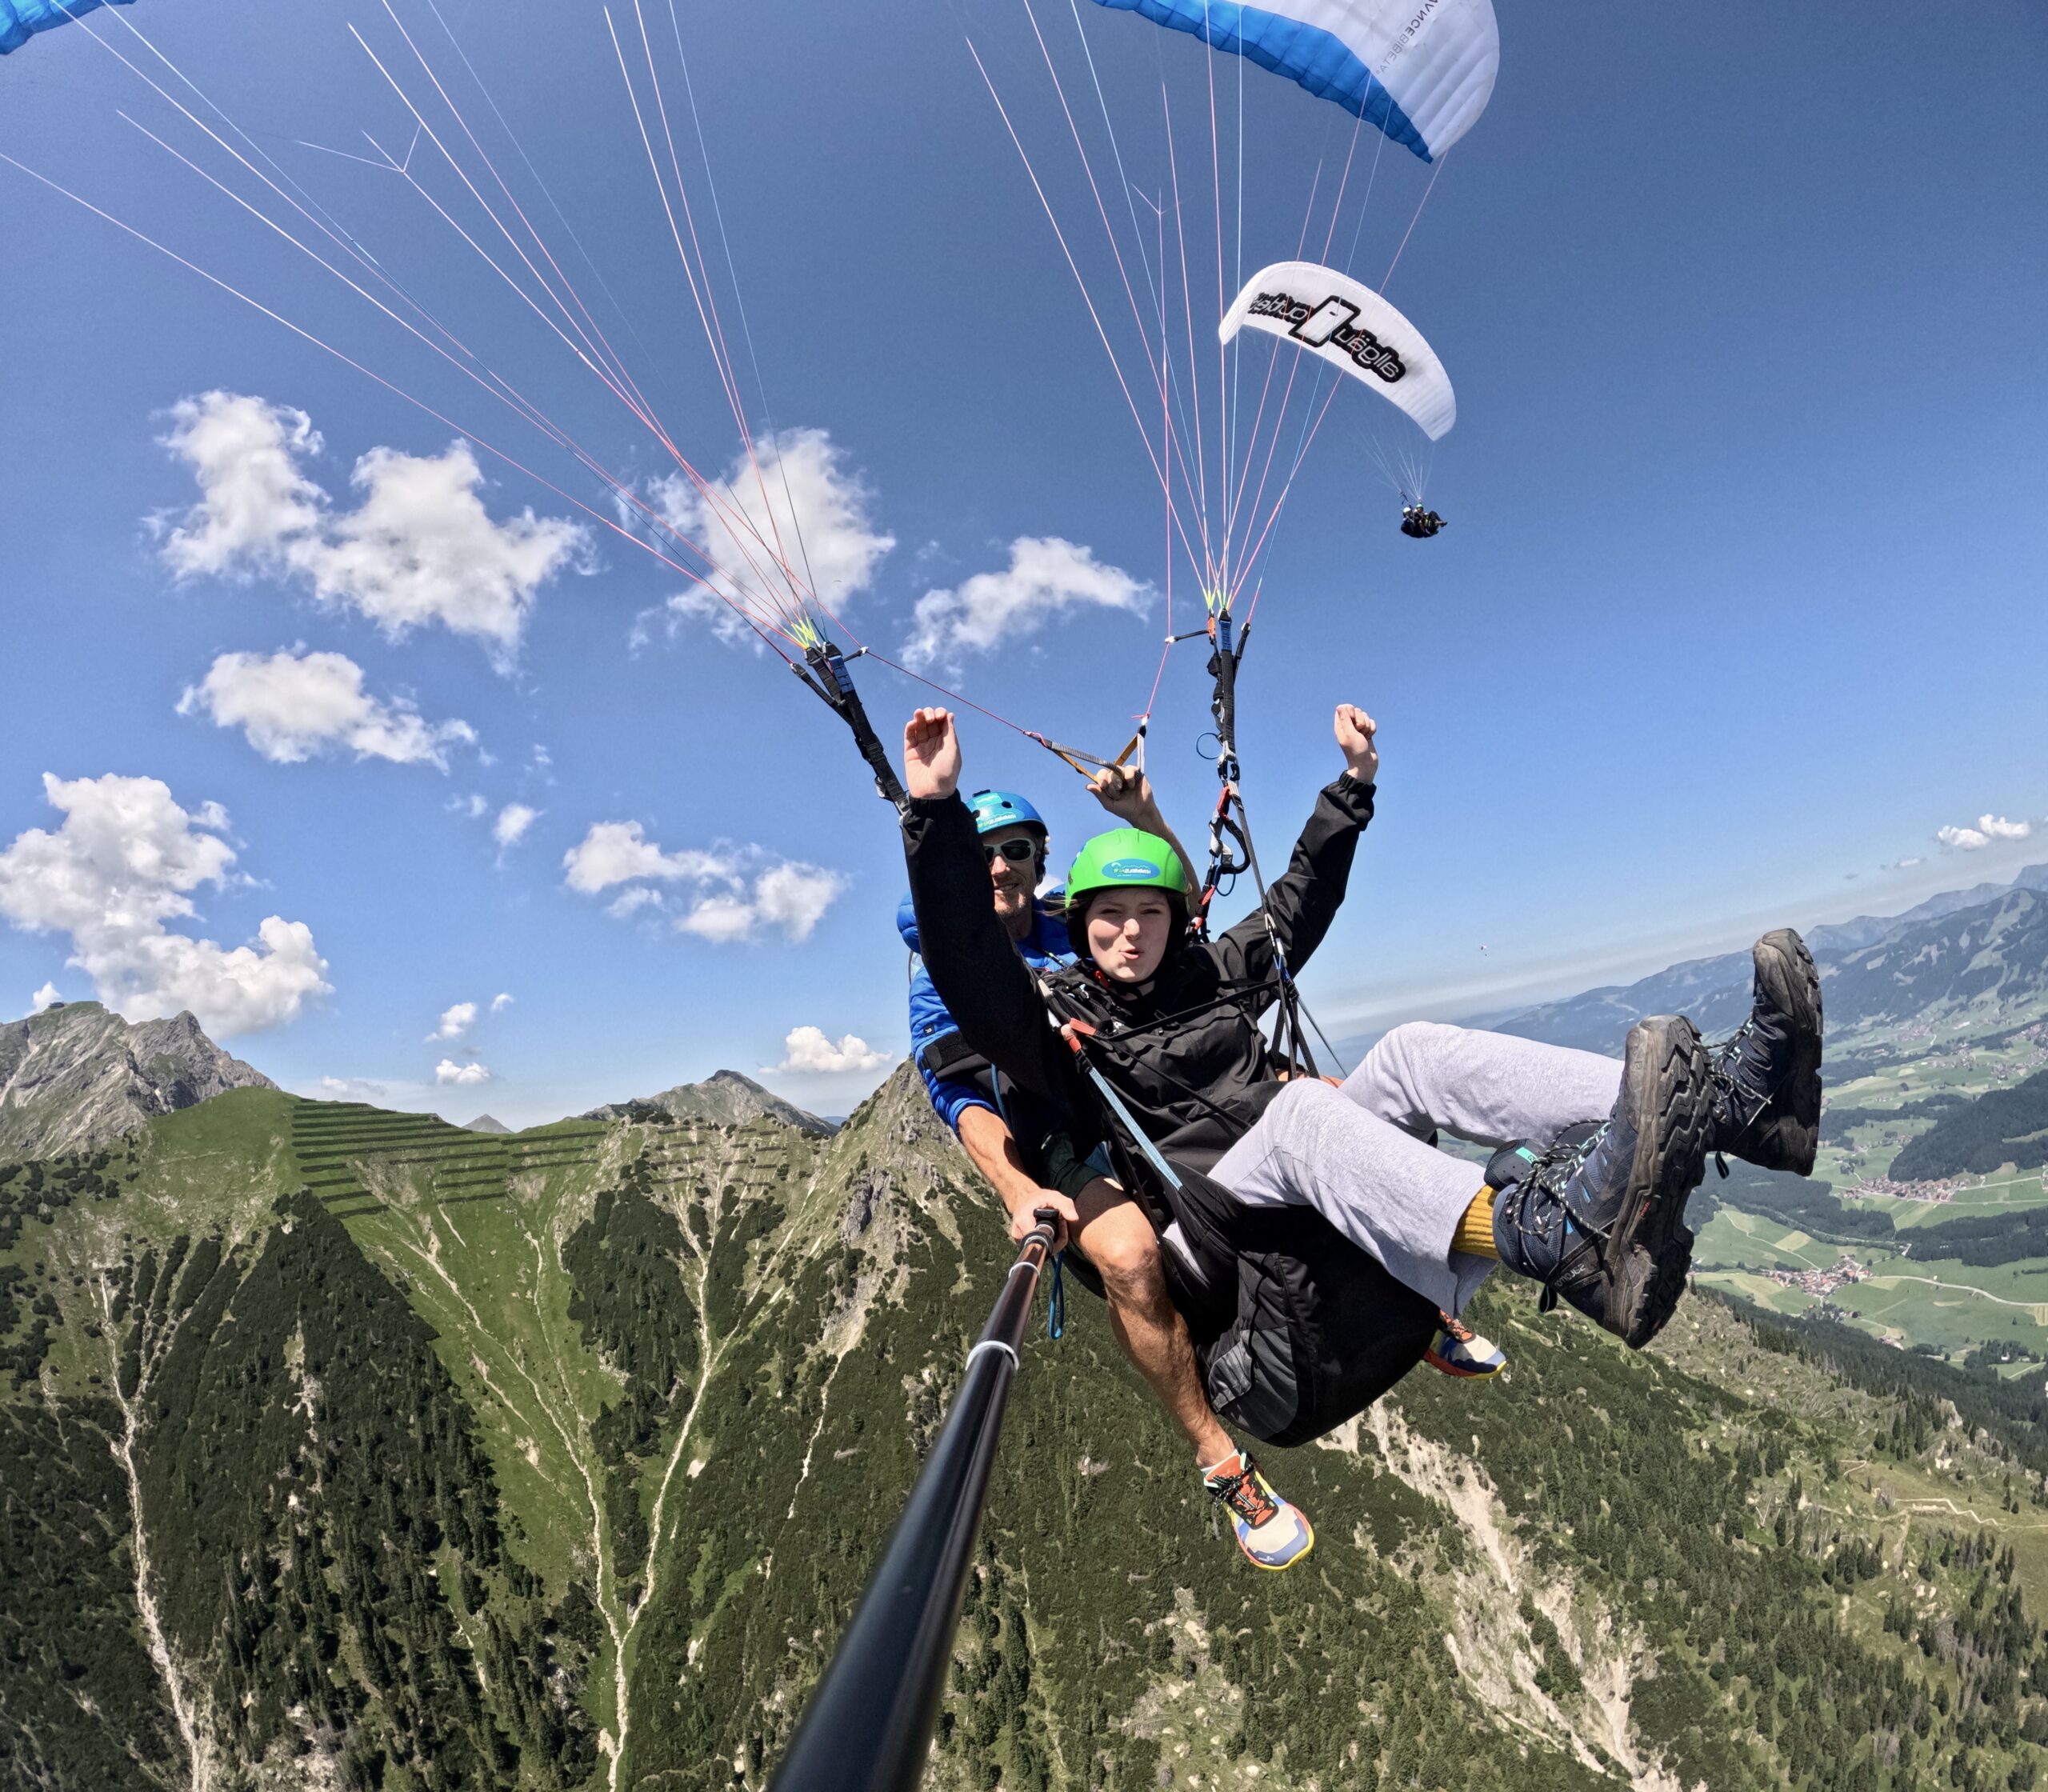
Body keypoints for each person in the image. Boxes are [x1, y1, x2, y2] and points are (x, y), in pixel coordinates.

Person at [899, 702, 1822, 1566]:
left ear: (1176, 918)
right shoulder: (1063, 1030)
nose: (1130, 932)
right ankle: (1556, 1237)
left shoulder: (1210, 973)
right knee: (1305, 1109)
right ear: (1080, 925)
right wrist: (934, 808)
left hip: (1303, 1185)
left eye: (1148, 911)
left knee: (1411, 1052)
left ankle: (1738, 1110)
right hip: (1210, 1233)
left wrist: (1353, 786)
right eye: (1107, 915)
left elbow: (1297, 906)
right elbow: (971, 969)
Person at [897, 774, 1308, 1566]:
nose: (997, 865)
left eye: (1014, 849)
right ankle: (1219, 1460)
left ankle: (1400, 1280)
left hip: (1153, 1093)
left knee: (1312, 1102)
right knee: (1126, 1254)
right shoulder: (944, 974)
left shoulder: (1070, 921)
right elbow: (957, 1095)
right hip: (1063, 1131)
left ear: (1040, 860)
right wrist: (1019, 1189)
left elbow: (1179, 913)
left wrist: (1140, 816)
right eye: (978, 853)